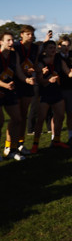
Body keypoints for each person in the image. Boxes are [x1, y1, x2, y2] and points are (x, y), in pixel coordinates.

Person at [32, 40, 72, 152]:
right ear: (45, 50)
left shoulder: (58, 60)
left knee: (60, 116)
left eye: (54, 48)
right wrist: (48, 80)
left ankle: (56, 140)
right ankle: (35, 144)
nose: (53, 50)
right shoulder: (41, 62)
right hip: (45, 93)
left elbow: (68, 73)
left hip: (57, 92)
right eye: (50, 48)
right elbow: (40, 80)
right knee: (40, 119)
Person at [1, 32, 34, 160]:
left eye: (12, 40)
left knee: (17, 119)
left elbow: (19, 72)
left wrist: (27, 80)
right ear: (1, 42)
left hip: (10, 90)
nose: (11, 43)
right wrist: (4, 85)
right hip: (2, 88)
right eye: (8, 40)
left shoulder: (14, 55)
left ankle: (11, 149)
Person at [14, 25, 40, 155]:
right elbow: (12, 65)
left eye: (32, 34)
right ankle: (11, 145)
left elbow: (34, 63)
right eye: (28, 34)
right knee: (16, 117)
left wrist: (36, 70)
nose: (31, 36)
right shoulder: (15, 46)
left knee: (23, 115)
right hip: (16, 83)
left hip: (29, 83)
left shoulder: (35, 47)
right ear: (22, 34)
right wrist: (24, 71)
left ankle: (20, 143)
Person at [58, 36, 72, 144]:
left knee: (70, 114)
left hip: (70, 89)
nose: (66, 47)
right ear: (59, 46)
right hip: (58, 90)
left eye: (68, 45)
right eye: (64, 45)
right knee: (58, 115)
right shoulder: (56, 57)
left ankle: (71, 137)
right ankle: (55, 138)